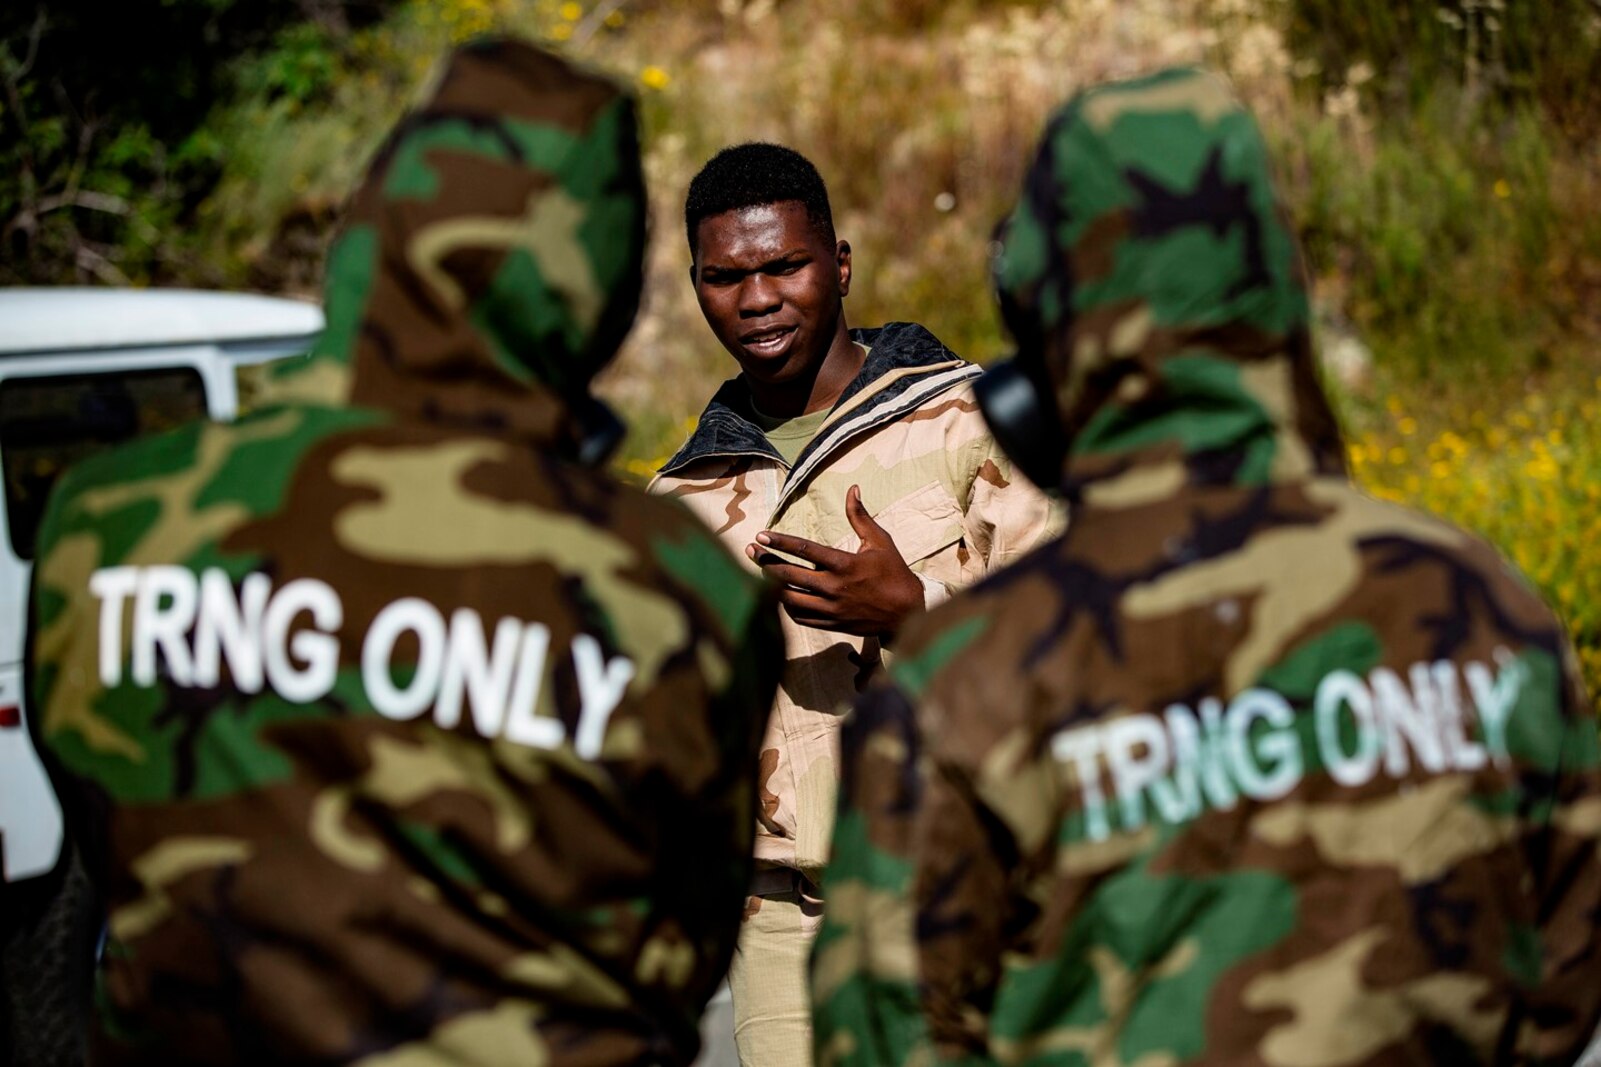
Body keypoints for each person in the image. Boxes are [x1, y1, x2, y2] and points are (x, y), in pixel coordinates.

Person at [814, 67, 1601, 1065]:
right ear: (1276, 294)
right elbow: (1558, 981)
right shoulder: (1485, 610)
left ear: (1050, 347)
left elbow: (881, 1033)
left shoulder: (970, 676)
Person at [27, 38, 783, 1066]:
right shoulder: (671, 589)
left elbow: (97, 832)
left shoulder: (104, 520)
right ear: (596, 288)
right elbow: (682, 946)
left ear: (369, 232)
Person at [651, 142, 1061, 1066]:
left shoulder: (971, 423)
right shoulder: (677, 505)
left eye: (784, 266)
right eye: (726, 278)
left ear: (838, 265)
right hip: (782, 920)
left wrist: (916, 613)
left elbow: (1072, 654)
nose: (757, 300)